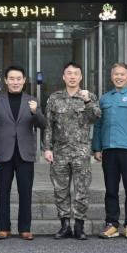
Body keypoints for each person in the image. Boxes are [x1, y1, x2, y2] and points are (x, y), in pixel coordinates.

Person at [43, 62, 101, 241]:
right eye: (69, 73)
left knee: (81, 190)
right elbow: (48, 126)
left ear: (81, 77)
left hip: (81, 152)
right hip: (59, 151)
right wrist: (47, 148)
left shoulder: (89, 96)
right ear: (63, 76)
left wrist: (88, 101)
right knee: (60, 190)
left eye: (76, 73)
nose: (72, 76)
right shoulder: (54, 98)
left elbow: (96, 116)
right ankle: (65, 225)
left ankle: (79, 226)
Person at [0, 65, 46, 241]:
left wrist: (36, 111)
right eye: (12, 79)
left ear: (24, 80)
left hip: (24, 153)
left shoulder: (32, 101)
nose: (15, 82)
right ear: (6, 80)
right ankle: (3, 228)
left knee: (25, 192)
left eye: (18, 79)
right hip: (3, 153)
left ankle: (25, 228)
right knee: (2, 192)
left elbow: (43, 125)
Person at [93, 62, 127, 240]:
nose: (119, 77)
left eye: (122, 74)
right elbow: (99, 124)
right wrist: (97, 147)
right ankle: (112, 224)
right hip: (109, 148)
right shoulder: (105, 98)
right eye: (116, 74)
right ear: (111, 77)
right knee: (111, 189)